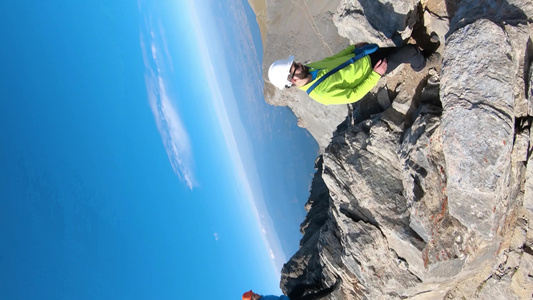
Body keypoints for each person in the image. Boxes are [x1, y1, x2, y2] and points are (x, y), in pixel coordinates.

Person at [268, 43, 440, 105]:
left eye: (294, 63)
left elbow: (333, 59)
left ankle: (419, 55)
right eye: (294, 67)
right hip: (372, 68)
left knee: (400, 51)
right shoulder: (321, 93)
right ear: (293, 79)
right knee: (409, 51)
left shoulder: (310, 69)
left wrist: (353, 48)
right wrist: (375, 75)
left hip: (365, 55)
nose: (299, 63)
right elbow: (353, 95)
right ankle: (423, 63)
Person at [242, 278, 340, 300]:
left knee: (300, 287)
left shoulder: (263, 298)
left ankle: (318, 285)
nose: (256, 294)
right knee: (312, 297)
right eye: (254, 295)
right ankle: (333, 288)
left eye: (254, 293)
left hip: (288, 299)